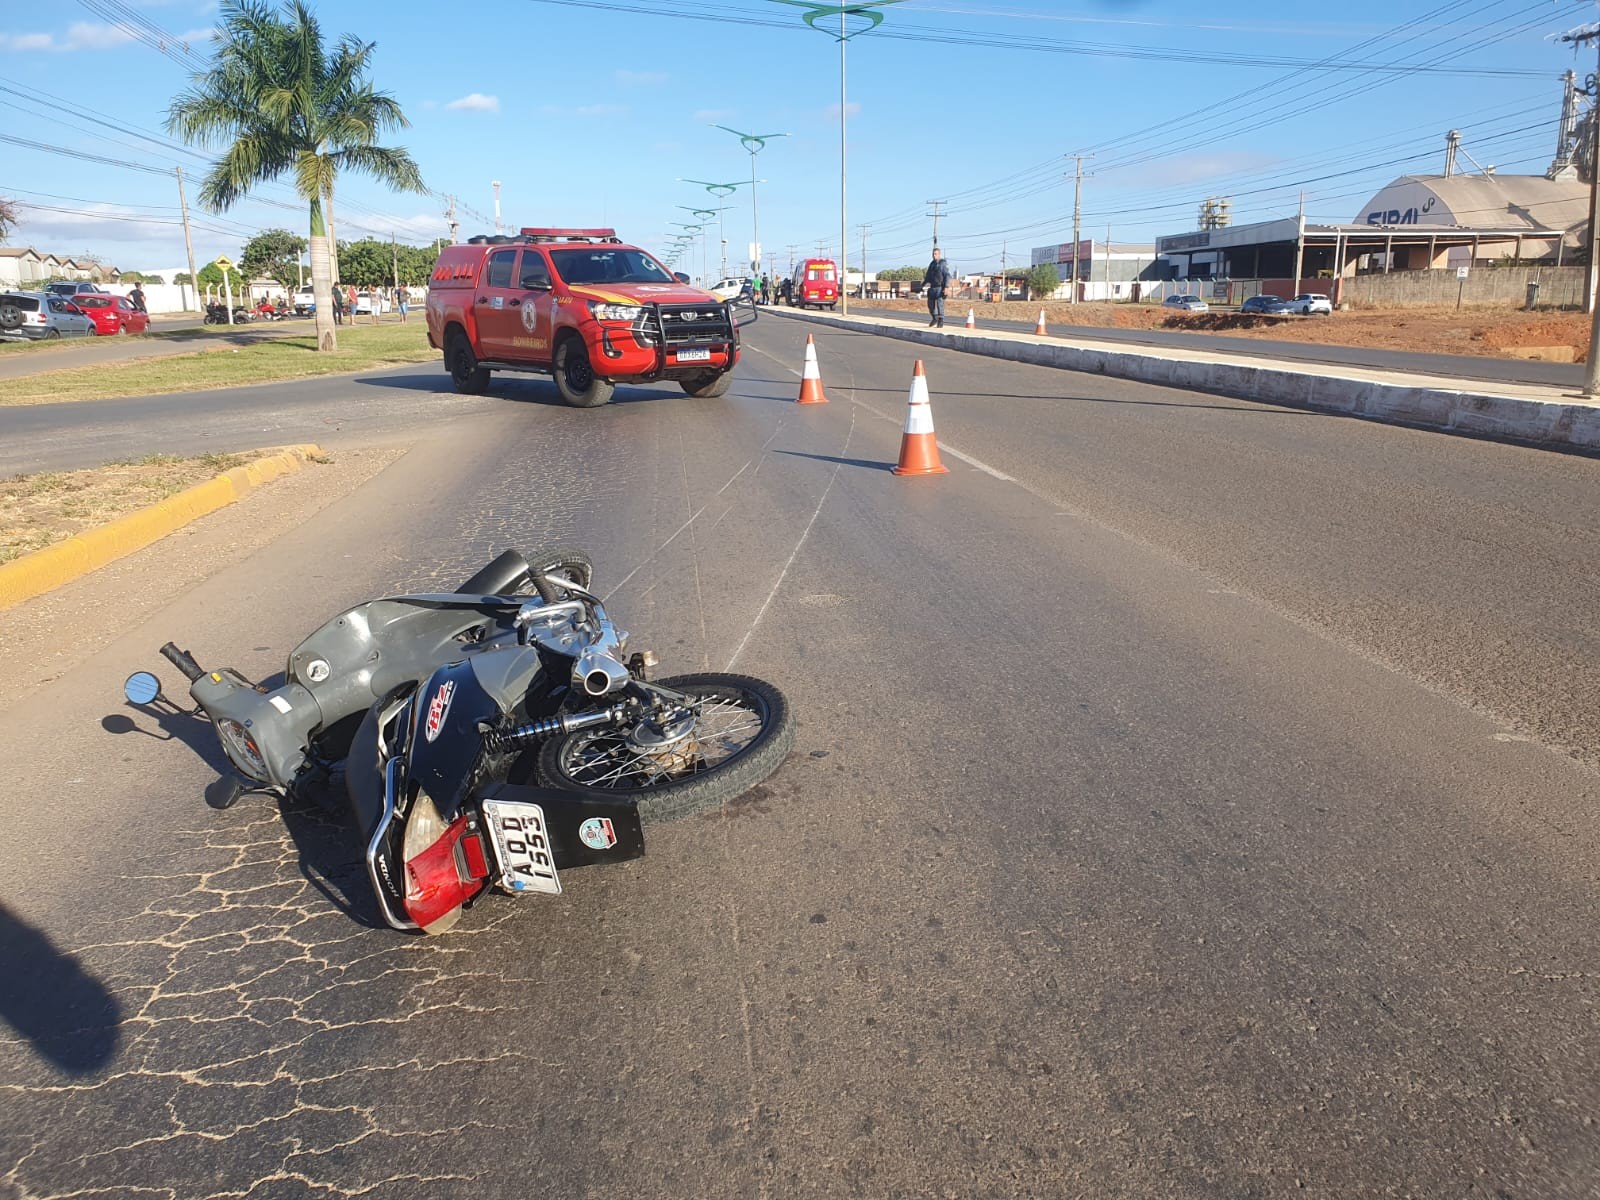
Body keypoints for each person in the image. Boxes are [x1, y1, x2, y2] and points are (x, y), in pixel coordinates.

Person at [923, 247, 953, 328]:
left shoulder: (942, 264)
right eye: (933, 254)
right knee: (930, 305)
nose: (934, 255)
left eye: (936, 254)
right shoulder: (932, 264)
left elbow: (947, 275)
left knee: (940, 305)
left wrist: (946, 287)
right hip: (932, 288)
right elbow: (927, 276)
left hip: (940, 288)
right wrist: (922, 285)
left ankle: (941, 320)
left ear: (939, 254)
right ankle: (934, 318)